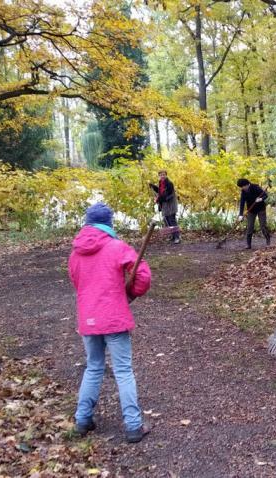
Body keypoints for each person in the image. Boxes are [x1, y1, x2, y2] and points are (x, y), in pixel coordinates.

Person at [68, 203, 152, 443]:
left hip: (88, 318)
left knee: (93, 367)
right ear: (109, 223)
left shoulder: (75, 252)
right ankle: (133, 426)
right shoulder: (117, 247)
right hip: (113, 318)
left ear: (87, 222)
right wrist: (131, 292)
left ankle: (82, 420)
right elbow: (143, 275)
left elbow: (77, 282)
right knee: (123, 371)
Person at [237, 178, 270, 249]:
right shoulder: (243, 191)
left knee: (263, 226)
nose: (242, 188)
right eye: (241, 187)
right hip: (251, 210)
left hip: (261, 209)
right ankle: (248, 245)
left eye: (243, 186)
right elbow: (242, 203)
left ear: (247, 184)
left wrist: (260, 199)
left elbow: (265, 195)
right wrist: (240, 215)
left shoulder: (255, 187)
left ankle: (268, 241)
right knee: (250, 227)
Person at [149, 170, 181, 244]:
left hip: (171, 204)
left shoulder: (169, 183)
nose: (162, 176)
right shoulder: (161, 183)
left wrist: (158, 199)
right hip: (165, 205)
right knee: (167, 221)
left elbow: (167, 195)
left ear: (166, 175)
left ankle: (177, 238)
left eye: (164, 175)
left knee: (172, 220)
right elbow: (160, 192)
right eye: (161, 175)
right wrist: (153, 187)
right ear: (159, 176)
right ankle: (173, 237)